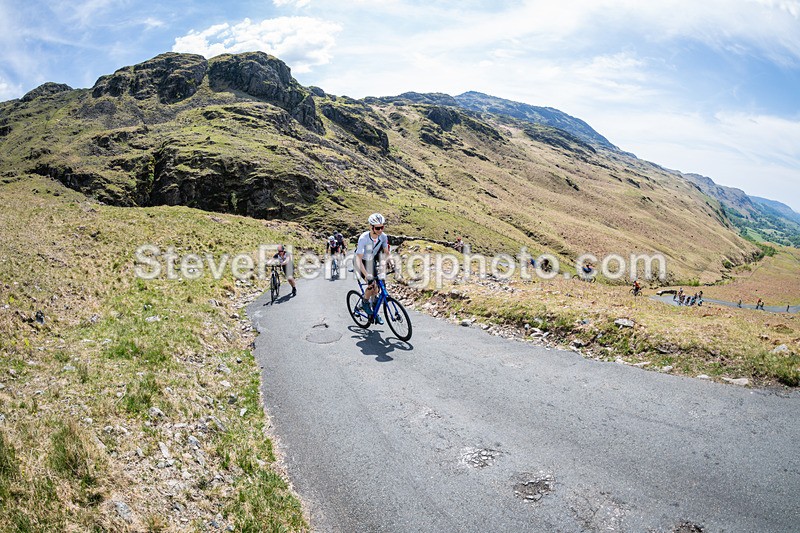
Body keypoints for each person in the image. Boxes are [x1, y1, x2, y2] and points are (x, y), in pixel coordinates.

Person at [355, 213, 392, 324]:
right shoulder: (363, 238)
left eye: (382, 227)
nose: (380, 230)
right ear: (371, 227)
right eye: (377, 228)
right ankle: (364, 303)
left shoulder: (383, 237)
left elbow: (386, 252)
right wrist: (367, 275)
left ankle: (374, 312)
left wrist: (391, 262)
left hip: (371, 262)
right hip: (361, 262)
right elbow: (358, 259)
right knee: (371, 285)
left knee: (377, 289)